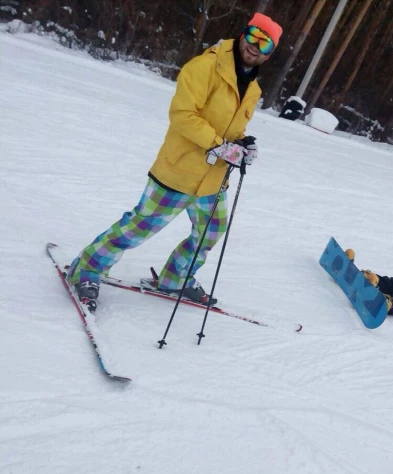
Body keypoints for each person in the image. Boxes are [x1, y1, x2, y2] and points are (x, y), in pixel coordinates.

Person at [67, 13, 283, 312]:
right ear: (243, 34)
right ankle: (86, 271)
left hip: (211, 180)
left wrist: (242, 144)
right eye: (253, 36)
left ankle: (175, 279)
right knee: (138, 227)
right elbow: (183, 115)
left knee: (211, 230)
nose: (256, 46)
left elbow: (230, 129)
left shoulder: (253, 88)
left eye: (265, 42)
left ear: (271, 52)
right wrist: (221, 146)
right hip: (178, 171)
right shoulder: (206, 67)